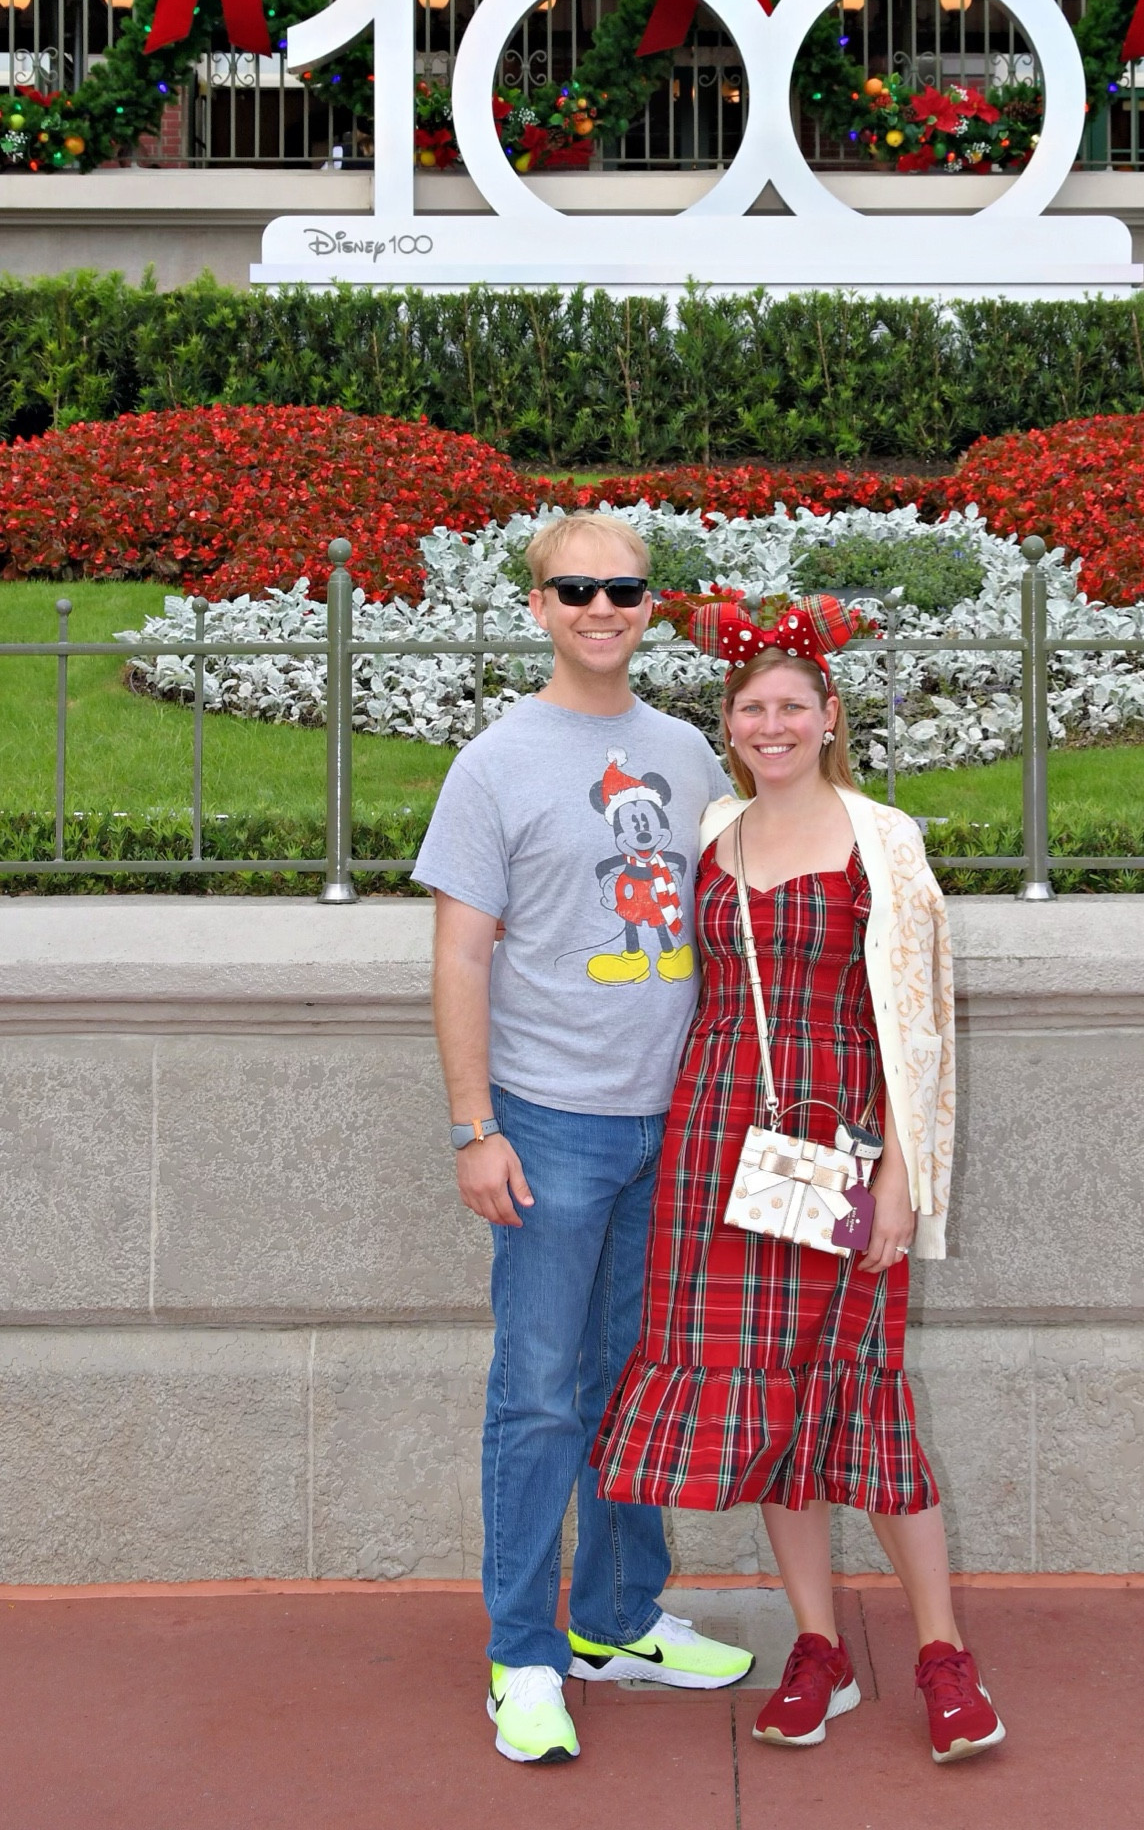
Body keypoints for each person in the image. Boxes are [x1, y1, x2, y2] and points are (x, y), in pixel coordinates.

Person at [593, 596, 1006, 1766]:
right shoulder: (711, 830)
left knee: (865, 1397)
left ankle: (940, 1653)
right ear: (728, 724)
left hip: (839, 1152)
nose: (770, 723)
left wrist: (901, 1181)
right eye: (750, 707)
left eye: (791, 706)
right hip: (715, 1152)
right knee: (773, 1406)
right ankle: (816, 1644)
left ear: (828, 717)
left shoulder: (886, 839)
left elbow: (917, 1027)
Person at [414, 513, 753, 1767]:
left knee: (635, 1380)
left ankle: (617, 1617)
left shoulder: (681, 749)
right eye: (577, 588)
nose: (602, 606)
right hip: (549, 1121)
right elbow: (458, 951)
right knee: (540, 1396)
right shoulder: (495, 761)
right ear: (540, 603)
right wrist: (474, 1125)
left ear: (650, 604)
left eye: (623, 587)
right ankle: (524, 1654)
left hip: (673, 1119)